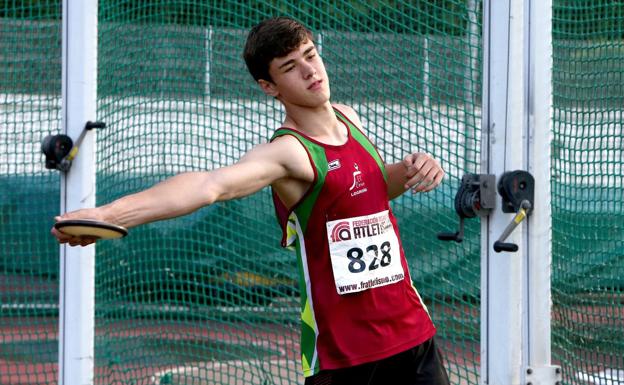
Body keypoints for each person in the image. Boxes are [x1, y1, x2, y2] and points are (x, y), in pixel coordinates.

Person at [52, 16, 449, 385]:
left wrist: (411, 169)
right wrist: (111, 214)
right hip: (347, 356)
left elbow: (369, 190)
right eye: (290, 66)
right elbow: (211, 186)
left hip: (414, 335)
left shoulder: (350, 119)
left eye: (310, 55)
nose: (310, 71)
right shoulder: (289, 153)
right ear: (269, 87)